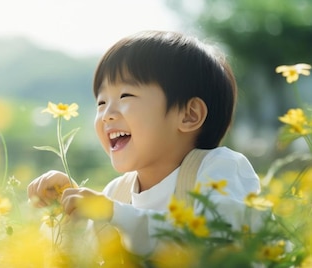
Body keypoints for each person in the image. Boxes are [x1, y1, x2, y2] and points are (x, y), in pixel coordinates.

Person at [27, 30, 262, 260]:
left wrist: (111, 212)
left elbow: (216, 242)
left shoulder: (220, 169)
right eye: (101, 101)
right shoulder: (116, 193)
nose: (107, 114)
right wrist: (67, 210)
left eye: (125, 96)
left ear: (189, 115)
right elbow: (89, 258)